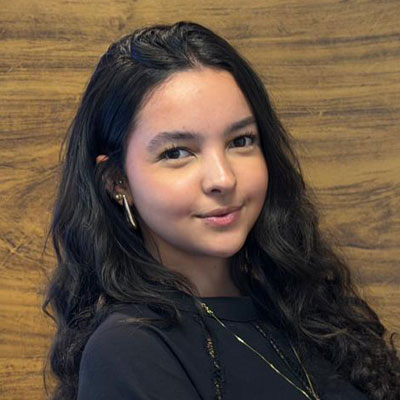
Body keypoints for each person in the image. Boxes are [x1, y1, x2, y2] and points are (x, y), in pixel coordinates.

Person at [42, 21, 399, 400]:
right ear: (118, 181)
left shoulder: (302, 305)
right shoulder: (128, 350)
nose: (223, 178)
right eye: (177, 153)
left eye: (240, 141)